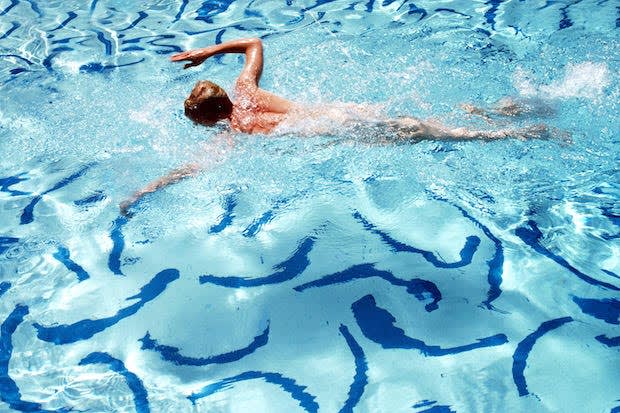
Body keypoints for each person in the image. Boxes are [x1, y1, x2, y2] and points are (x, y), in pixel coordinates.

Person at [119, 37, 552, 216]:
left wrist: (145, 191)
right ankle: (507, 110)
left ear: (213, 117)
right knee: (434, 117)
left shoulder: (238, 128)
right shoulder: (245, 92)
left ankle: (520, 132)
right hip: (353, 110)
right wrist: (208, 53)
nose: (192, 125)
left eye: (193, 119)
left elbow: (193, 169)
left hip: (353, 130)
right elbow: (253, 43)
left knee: (438, 133)